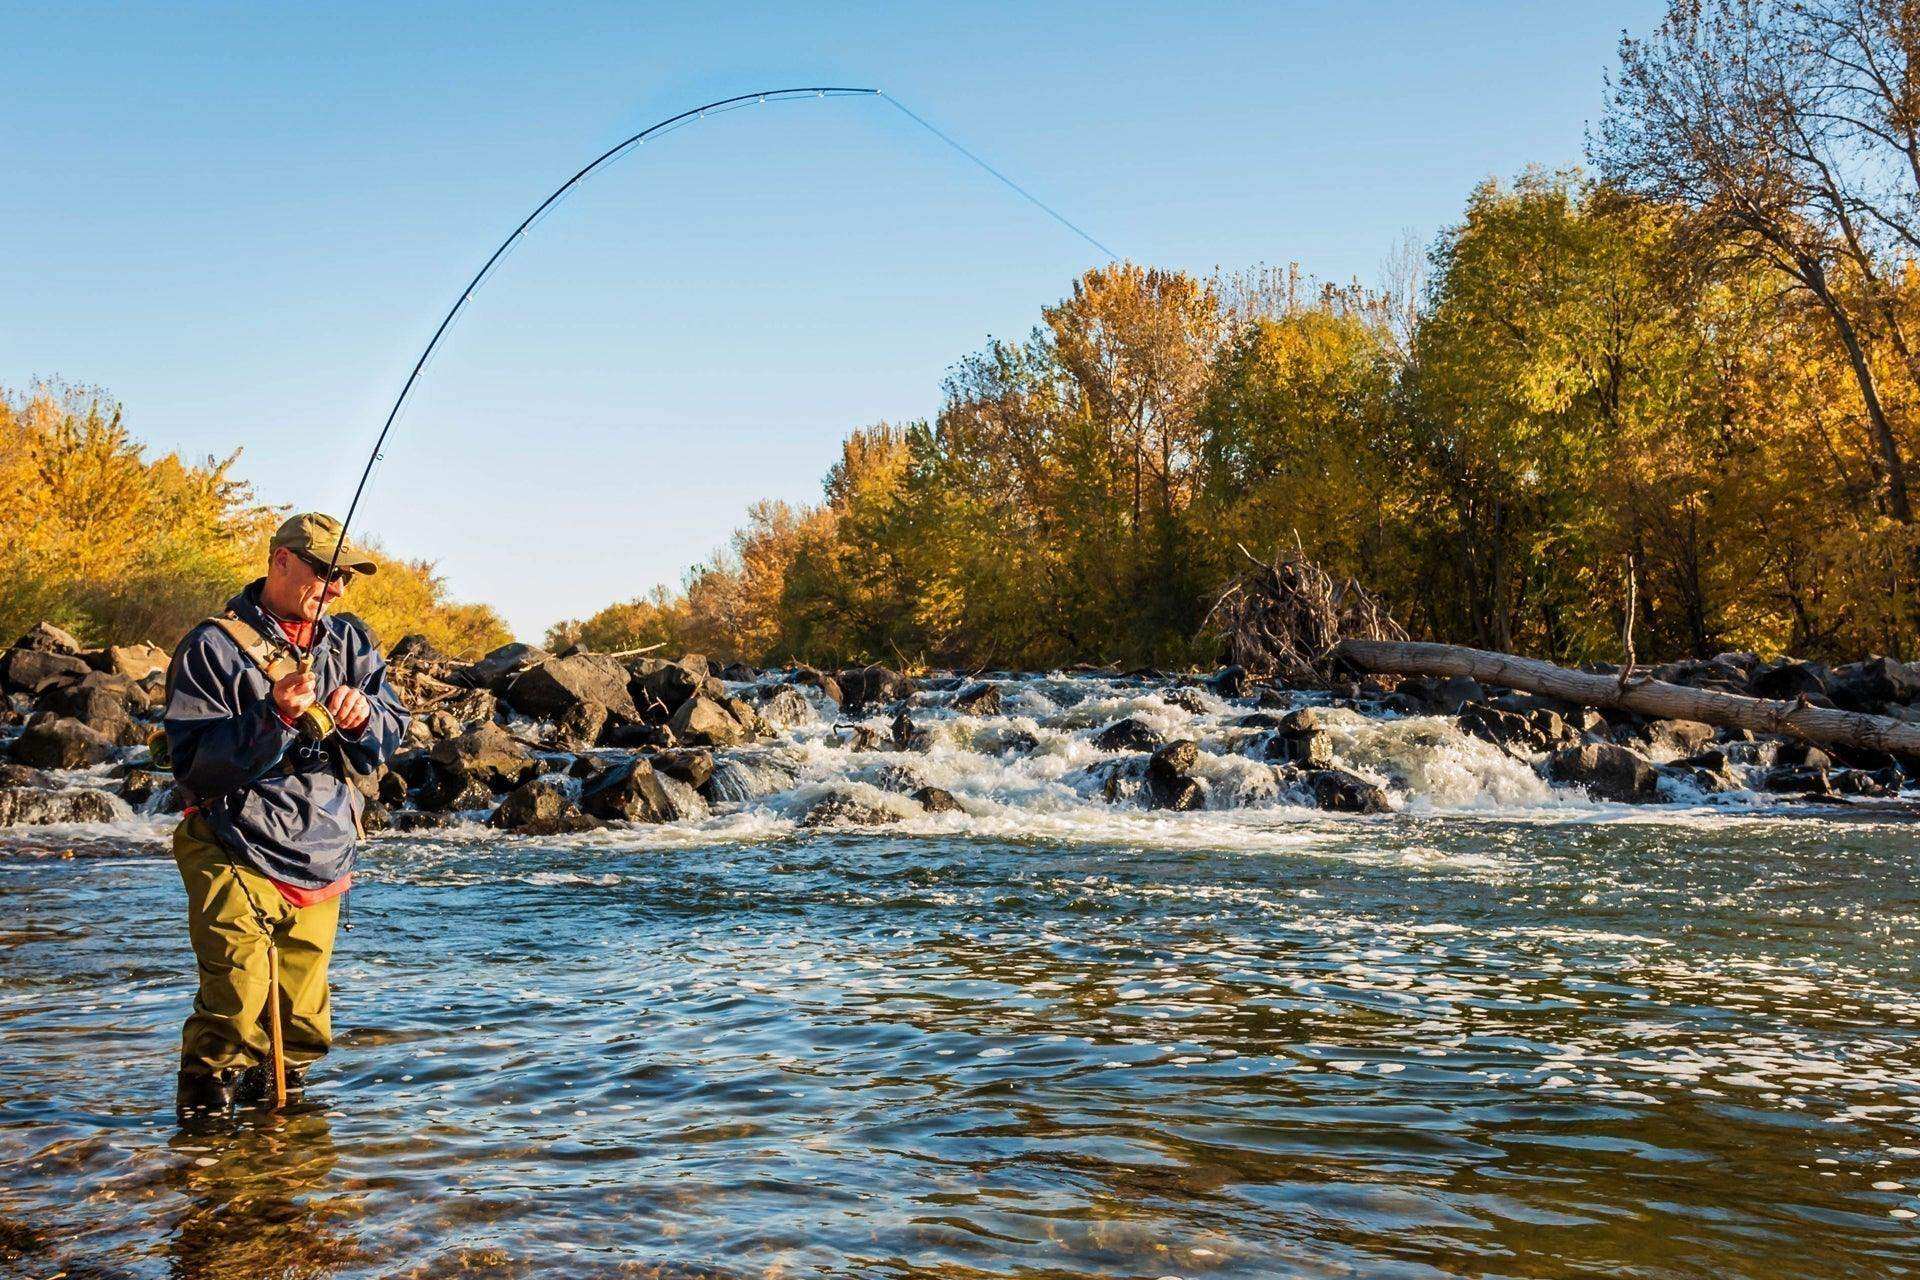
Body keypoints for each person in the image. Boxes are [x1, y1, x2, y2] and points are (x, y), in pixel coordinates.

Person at [164, 513, 410, 1122]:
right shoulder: (212, 647)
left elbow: (390, 729)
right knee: (235, 999)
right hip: (231, 841)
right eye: (324, 571)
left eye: (345, 577)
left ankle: (281, 1156)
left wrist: (363, 717)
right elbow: (194, 765)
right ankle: (202, 1137)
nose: (336, 587)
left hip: (322, 843)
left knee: (300, 1019)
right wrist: (271, 716)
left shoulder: (350, 642)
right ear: (279, 561)